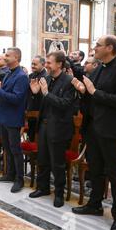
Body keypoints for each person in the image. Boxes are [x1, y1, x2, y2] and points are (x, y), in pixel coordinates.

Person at [71, 35, 116, 230]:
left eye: (97, 46)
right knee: (96, 169)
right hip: (94, 128)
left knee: (114, 174)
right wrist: (83, 90)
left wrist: (93, 91)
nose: (94, 48)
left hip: (112, 130)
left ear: (109, 48)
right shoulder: (99, 67)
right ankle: (95, 204)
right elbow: (92, 96)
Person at [29, 51, 77, 207]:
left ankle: (59, 194)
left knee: (57, 163)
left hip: (59, 128)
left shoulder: (69, 81)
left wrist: (46, 93)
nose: (47, 65)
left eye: (49, 62)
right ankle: (43, 188)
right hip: (43, 125)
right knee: (42, 159)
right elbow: (42, 103)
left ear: (59, 64)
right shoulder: (47, 79)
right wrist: (36, 94)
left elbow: (64, 104)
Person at [0, 47, 29, 193]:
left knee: (16, 150)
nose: (5, 57)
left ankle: (19, 179)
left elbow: (16, 99)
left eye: (8, 56)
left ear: (16, 58)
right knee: (7, 148)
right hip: (3, 116)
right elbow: (3, 94)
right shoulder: (8, 74)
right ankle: (10, 174)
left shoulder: (22, 76)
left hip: (13, 118)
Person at [27, 55, 47, 142]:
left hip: (40, 109)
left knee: (38, 138)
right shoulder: (31, 75)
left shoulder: (46, 76)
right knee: (31, 135)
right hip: (31, 108)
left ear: (43, 64)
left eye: (35, 64)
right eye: (32, 64)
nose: (32, 66)